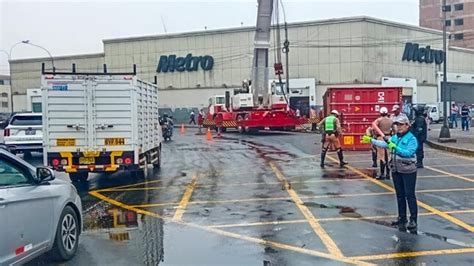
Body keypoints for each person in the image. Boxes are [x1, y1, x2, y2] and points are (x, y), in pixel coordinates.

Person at [362, 115, 419, 231]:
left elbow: (408, 153)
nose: (399, 127)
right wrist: (372, 140)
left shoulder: (411, 139)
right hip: (396, 169)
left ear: (407, 125)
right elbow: (385, 144)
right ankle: (402, 217)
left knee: (410, 195)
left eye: (401, 124)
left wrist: (396, 148)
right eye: (397, 125)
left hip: (408, 170)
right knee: (399, 195)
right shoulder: (395, 137)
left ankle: (413, 219)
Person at [371, 107, 393, 179]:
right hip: (389, 138)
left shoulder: (378, 120)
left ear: (380, 113)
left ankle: (382, 174)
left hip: (381, 138)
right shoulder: (390, 120)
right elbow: (394, 129)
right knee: (389, 157)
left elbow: (373, 128)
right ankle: (388, 174)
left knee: (382, 157)